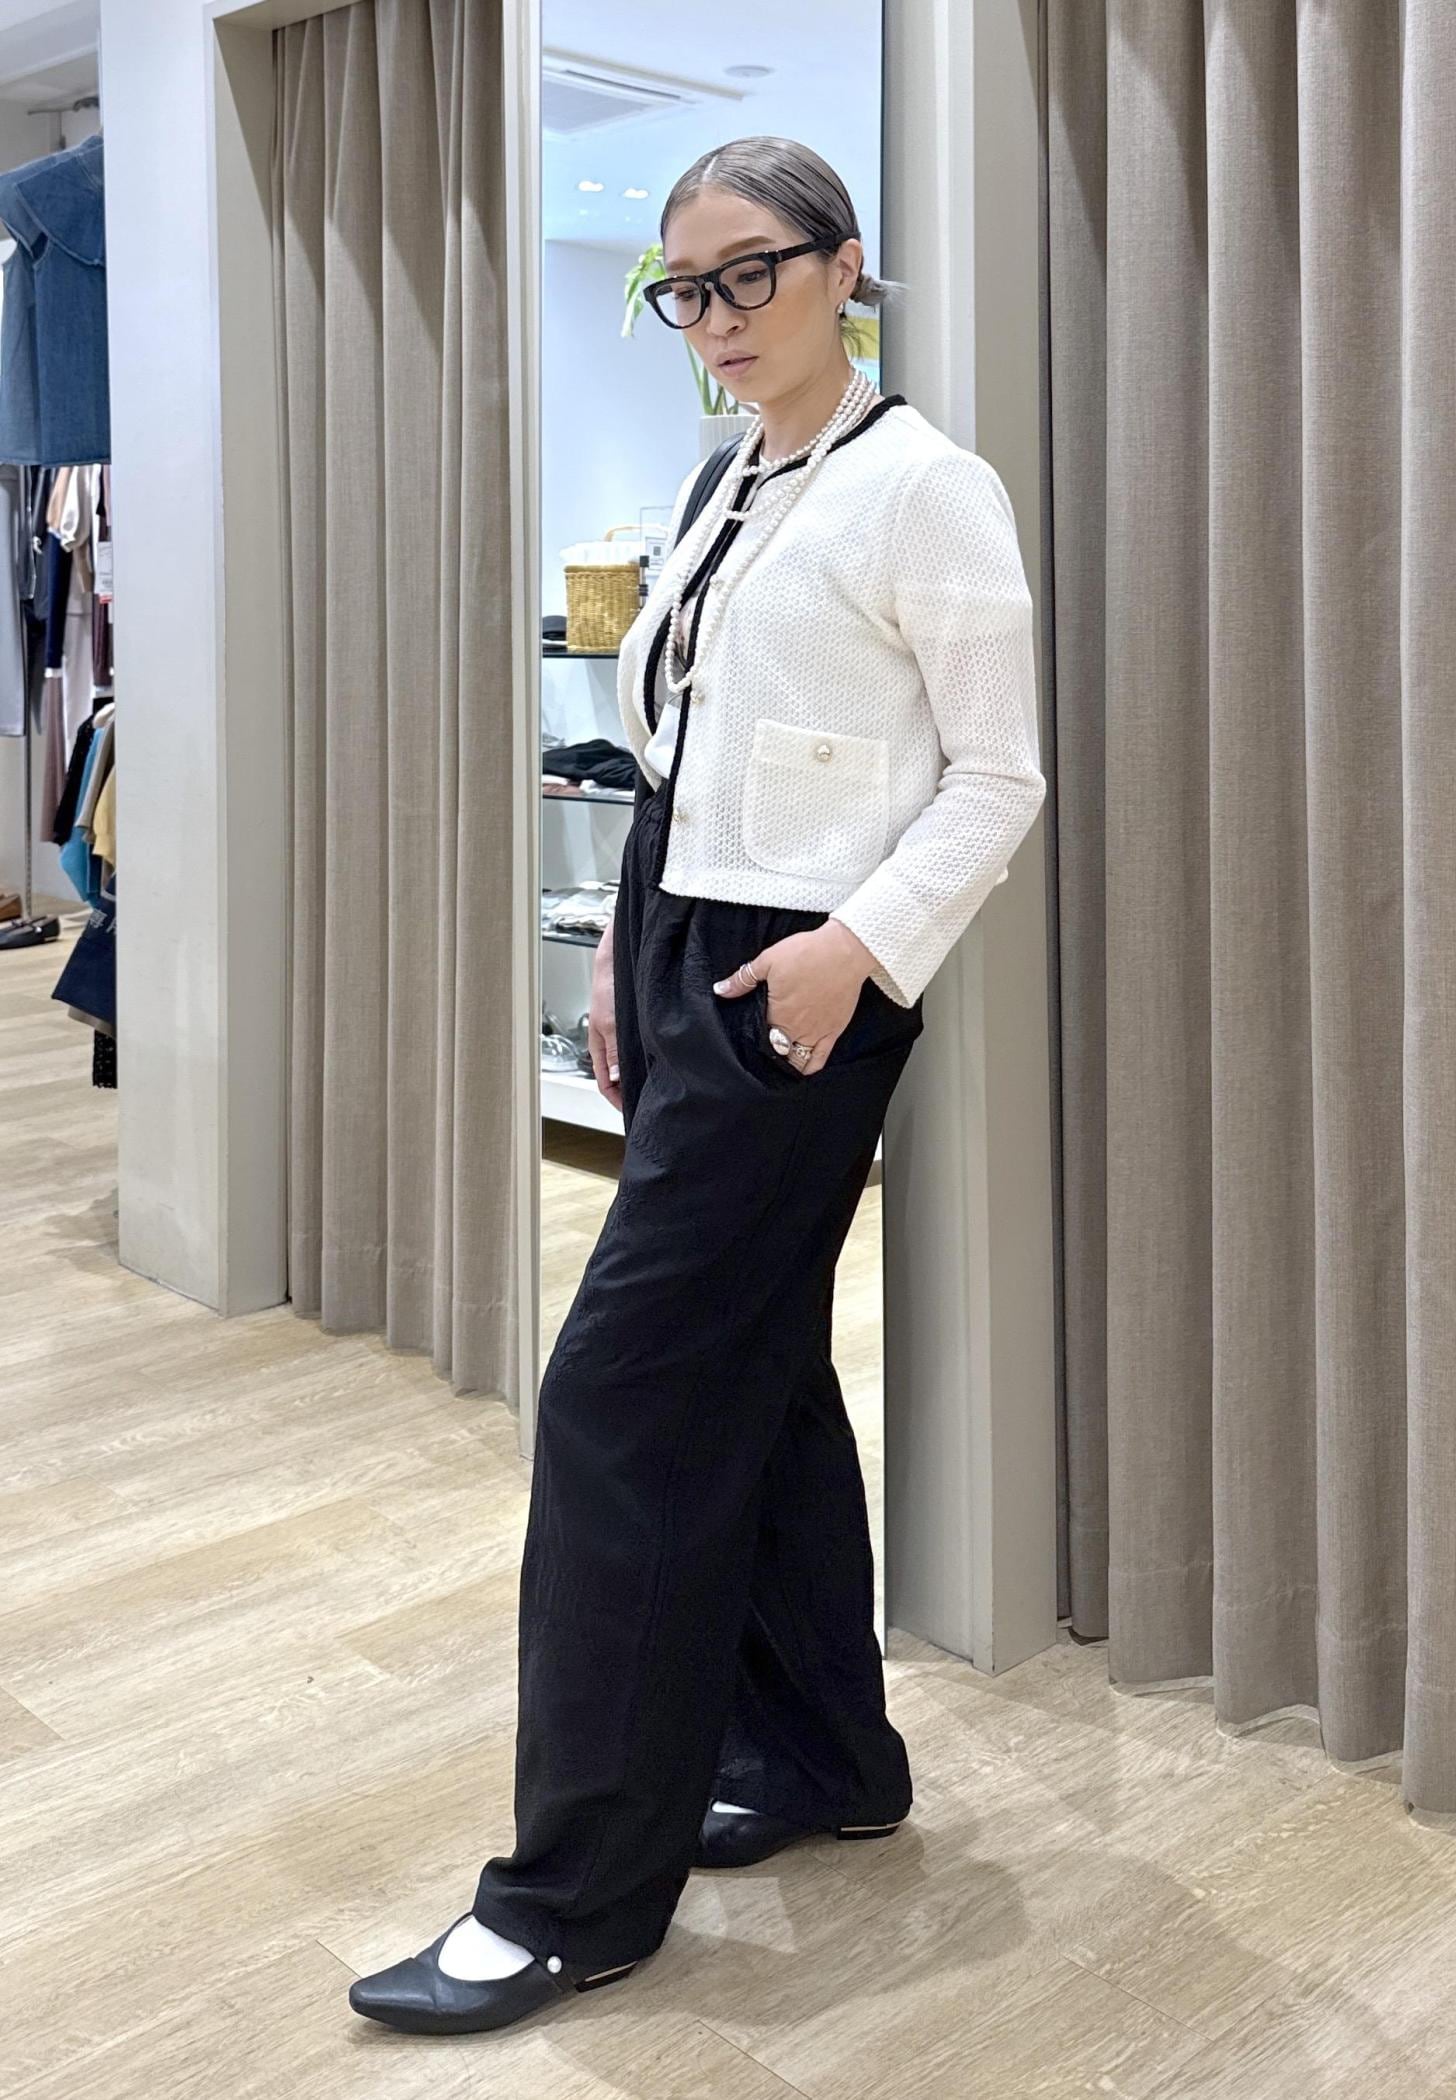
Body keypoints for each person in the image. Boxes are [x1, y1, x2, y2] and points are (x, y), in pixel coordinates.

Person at [349, 133, 1047, 2041]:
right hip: (679, 945)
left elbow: (999, 776)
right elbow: (680, 746)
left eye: (752, 274)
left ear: (843, 269)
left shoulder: (925, 486)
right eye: (687, 290)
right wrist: (620, 956)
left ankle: (572, 1895)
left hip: (799, 980)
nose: (718, 318)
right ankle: (827, 1757)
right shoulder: (726, 471)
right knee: (761, 1367)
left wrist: (854, 947)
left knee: (622, 1397)